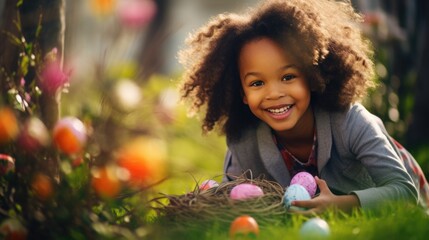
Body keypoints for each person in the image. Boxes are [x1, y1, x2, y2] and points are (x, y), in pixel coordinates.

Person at [178, 0, 429, 214]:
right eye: (257, 83)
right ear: (241, 93)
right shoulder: (244, 141)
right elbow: (235, 200)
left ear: (311, 76)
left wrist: (341, 205)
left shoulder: (351, 121)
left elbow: (404, 191)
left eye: (288, 77)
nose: (274, 93)